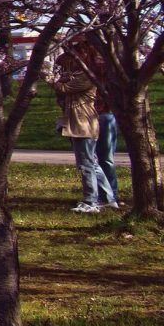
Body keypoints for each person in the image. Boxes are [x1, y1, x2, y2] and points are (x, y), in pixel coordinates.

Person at [53, 47, 108, 213]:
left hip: (83, 125)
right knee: (93, 163)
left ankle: (91, 201)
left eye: (66, 65)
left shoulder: (87, 77)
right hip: (77, 124)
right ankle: (107, 198)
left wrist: (50, 77)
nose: (64, 69)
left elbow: (64, 89)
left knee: (86, 165)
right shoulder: (78, 76)